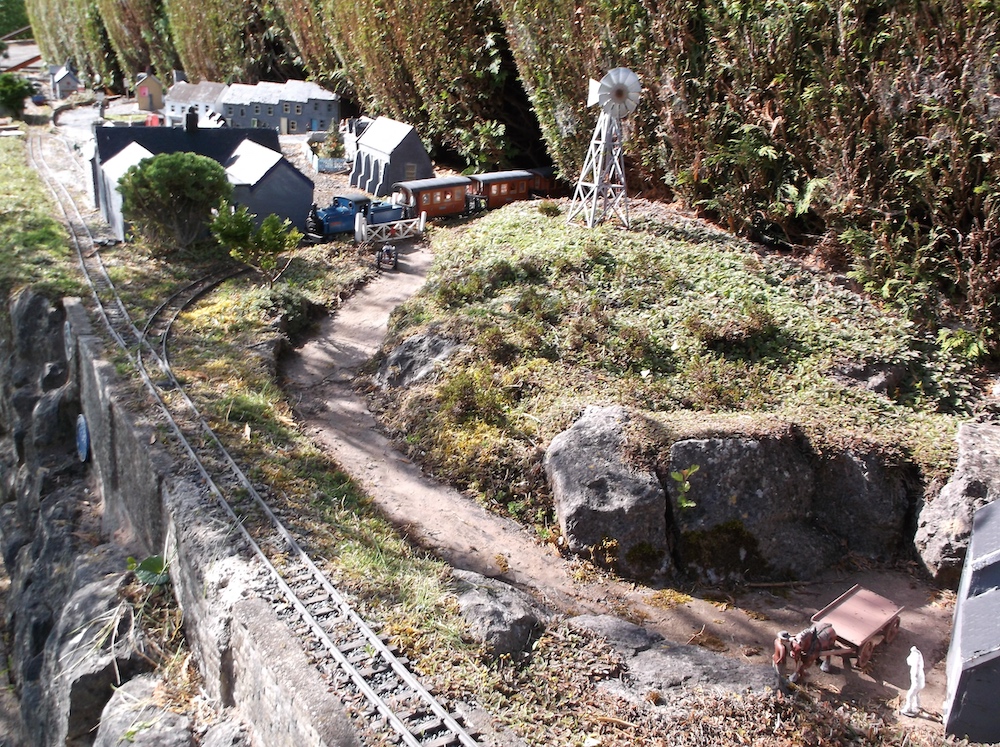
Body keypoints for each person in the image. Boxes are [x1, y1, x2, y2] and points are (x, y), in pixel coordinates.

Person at [901, 646, 925, 716]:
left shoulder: (916, 669)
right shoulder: (919, 667)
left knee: (909, 695)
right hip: (920, 684)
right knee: (916, 693)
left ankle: (908, 709)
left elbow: (909, 661)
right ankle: (917, 705)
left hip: (917, 684)